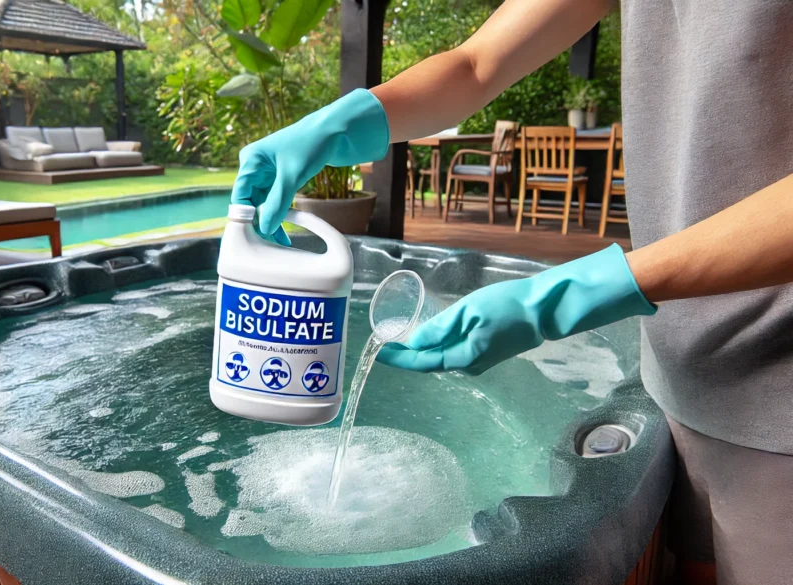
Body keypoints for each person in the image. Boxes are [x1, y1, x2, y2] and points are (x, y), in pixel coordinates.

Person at [229, 1, 793, 583]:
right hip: (682, 367)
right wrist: (345, 120)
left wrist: (577, 292)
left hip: (781, 395)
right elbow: (478, 62)